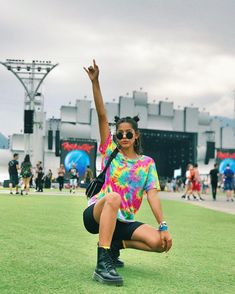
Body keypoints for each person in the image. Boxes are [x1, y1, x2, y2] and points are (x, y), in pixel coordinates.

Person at [83, 60, 172, 286]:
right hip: (97, 212)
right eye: (120, 133)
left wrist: (163, 226)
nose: (123, 137)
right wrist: (96, 83)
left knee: (160, 244)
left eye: (128, 134)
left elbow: (152, 195)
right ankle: (103, 264)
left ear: (136, 136)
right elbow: (103, 117)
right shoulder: (110, 151)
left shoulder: (147, 164)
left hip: (123, 220)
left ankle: (115, 245)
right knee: (113, 197)